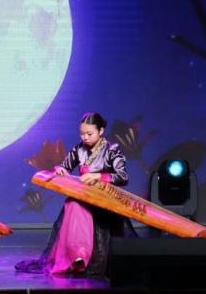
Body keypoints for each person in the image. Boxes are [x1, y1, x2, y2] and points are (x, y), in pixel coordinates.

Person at [15, 112, 135, 275]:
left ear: (101, 131)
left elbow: (123, 177)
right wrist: (61, 170)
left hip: (104, 200)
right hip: (84, 196)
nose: (85, 137)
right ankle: (77, 256)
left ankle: (80, 256)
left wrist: (98, 176)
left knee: (76, 205)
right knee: (72, 203)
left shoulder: (112, 149)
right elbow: (65, 166)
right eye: (82, 133)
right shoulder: (80, 148)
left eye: (89, 134)